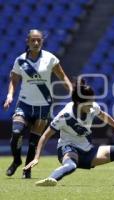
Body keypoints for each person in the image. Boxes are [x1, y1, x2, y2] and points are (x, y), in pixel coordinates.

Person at [24, 79, 114, 186]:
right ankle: (51, 179)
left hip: (88, 151)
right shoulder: (64, 115)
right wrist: (36, 157)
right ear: (77, 102)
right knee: (71, 165)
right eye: (89, 102)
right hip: (68, 149)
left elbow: (104, 115)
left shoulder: (93, 107)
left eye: (93, 100)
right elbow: (45, 136)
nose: (92, 104)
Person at [3, 29, 73, 179]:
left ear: (42, 41)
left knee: (34, 142)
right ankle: (16, 161)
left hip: (43, 106)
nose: (35, 43)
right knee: (16, 133)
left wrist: (73, 92)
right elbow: (14, 80)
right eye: (33, 40)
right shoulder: (20, 60)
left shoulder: (50, 58)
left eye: (38, 40)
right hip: (25, 104)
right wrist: (10, 95)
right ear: (27, 41)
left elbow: (63, 77)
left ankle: (26, 170)